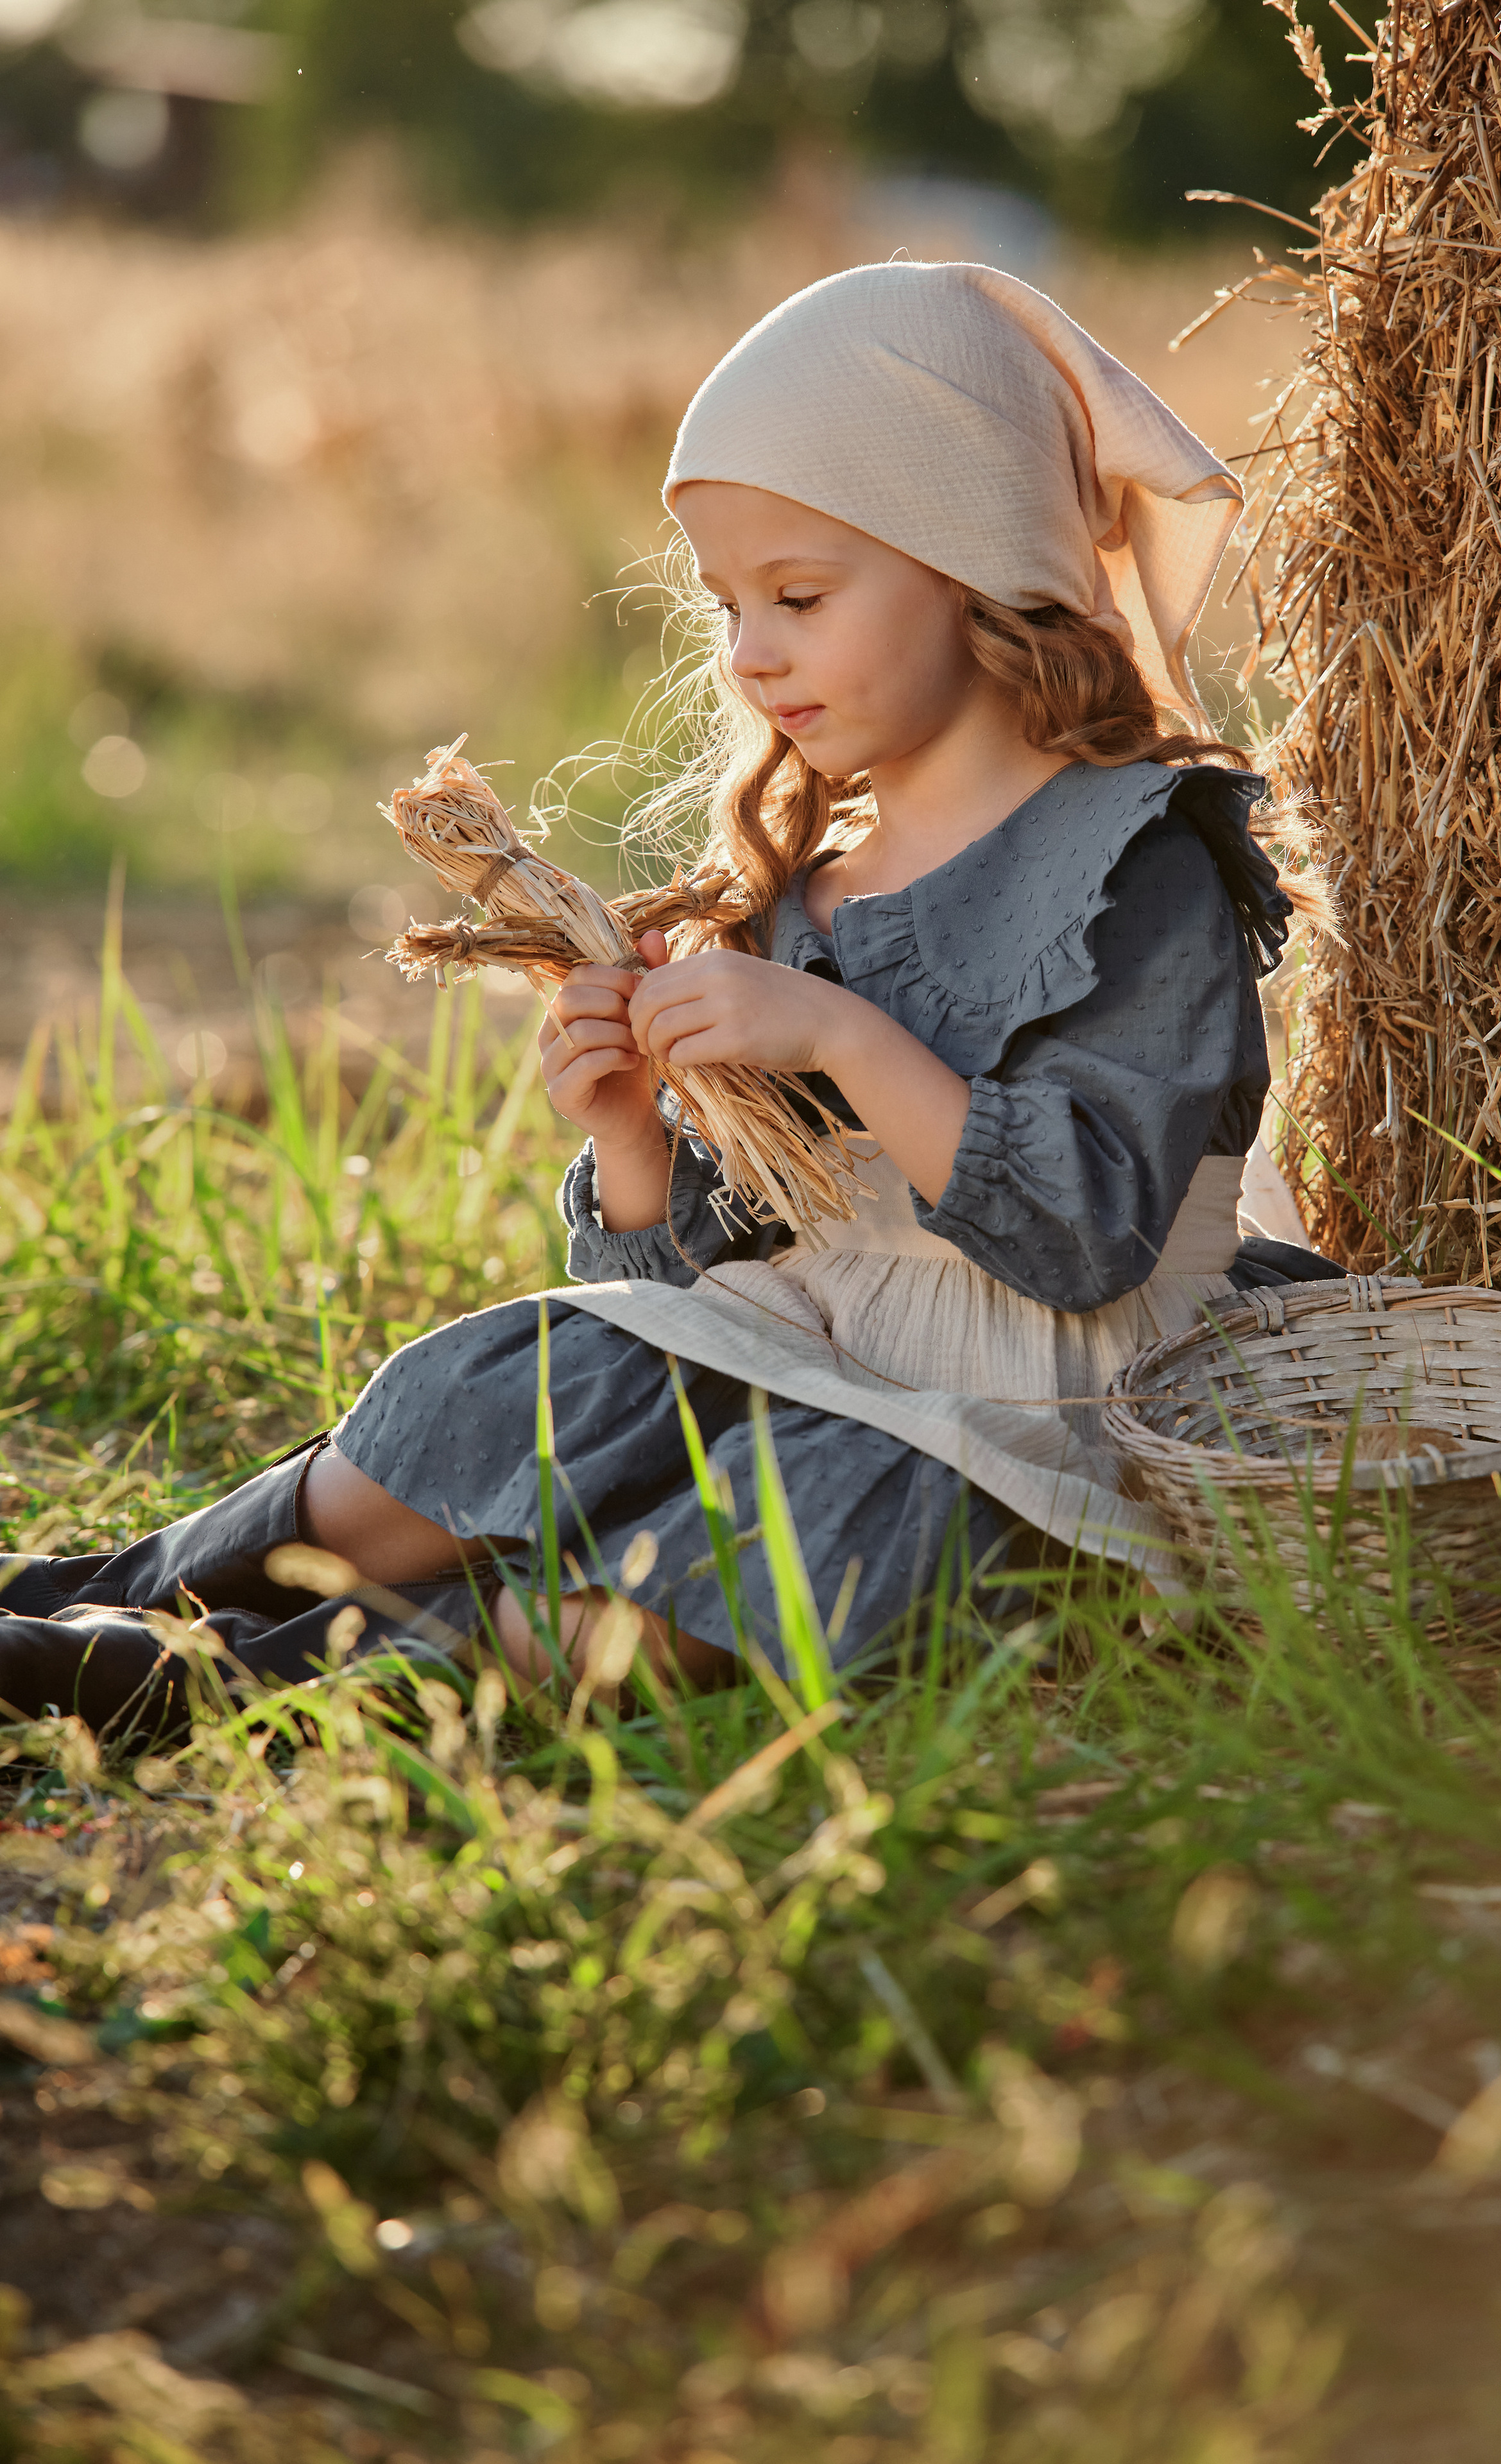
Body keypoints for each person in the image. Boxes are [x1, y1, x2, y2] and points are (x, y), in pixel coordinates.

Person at [0, 260, 1339, 1738]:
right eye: (726, 604)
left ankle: (238, 1686)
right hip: (817, 1350)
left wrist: (838, 1034)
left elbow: (1084, 1239)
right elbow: (717, 1284)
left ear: (973, 560)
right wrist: (636, 1146)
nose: (751, 651)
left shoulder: (1139, 861)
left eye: (800, 596)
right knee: (516, 1384)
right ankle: (122, 1589)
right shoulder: (807, 881)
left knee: (771, 1551)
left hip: (1043, 1420)